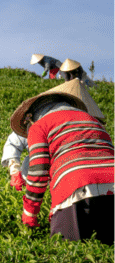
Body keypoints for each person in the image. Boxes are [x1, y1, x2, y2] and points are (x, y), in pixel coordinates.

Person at [9, 79, 113, 244]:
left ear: (30, 117)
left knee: (68, 255)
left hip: (76, 187)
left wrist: (29, 215)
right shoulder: (92, 120)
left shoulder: (39, 125)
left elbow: (39, 171)